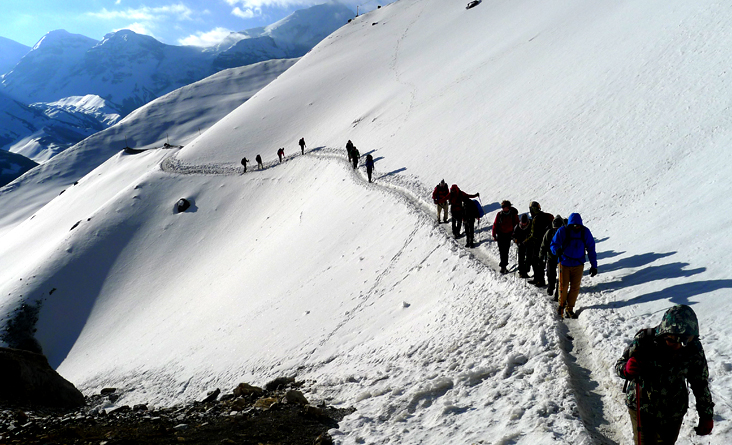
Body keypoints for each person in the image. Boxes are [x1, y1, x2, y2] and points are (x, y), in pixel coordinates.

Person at [615, 305, 714, 444]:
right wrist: (627, 368)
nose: (679, 345)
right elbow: (620, 365)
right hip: (643, 407)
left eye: (685, 340)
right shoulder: (645, 340)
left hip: (673, 412)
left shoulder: (693, 348)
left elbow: (700, 383)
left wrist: (706, 415)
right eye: (673, 339)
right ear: (664, 333)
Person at [549, 212, 597, 319]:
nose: (576, 227)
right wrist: (556, 251)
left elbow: (591, 248)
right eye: (574, 225)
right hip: (564, 263)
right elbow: (553, 244)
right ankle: (561, 306)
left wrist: (594, 265)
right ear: (570, 224)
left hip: (578, 264)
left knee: (575, 288)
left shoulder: (585, 232)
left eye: (578, 225)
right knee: (563, 286)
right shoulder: (563, 230)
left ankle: (569, 308)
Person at [525, 201, 554, 287]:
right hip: (545, 242)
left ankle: (540, 280)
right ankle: (538, 279)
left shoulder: (536, 219)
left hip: (537, 243)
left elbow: (534, 234)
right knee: (538, 261)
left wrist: (525, 241)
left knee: (537, 262)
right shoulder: (544, 215)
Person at [540, 214, 564, 299]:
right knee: (550, 274)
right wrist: (541, 256)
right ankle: (551, 288)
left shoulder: (565, 233)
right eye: (555, 228)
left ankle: (558, 293)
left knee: (560, 277)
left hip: (561, 258)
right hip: (551, 256)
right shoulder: (549, 232)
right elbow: (544, 244)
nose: (556, 230)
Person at [492, 200, 519, 274]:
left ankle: (504, 266)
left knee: (506, 251)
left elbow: (517, 225)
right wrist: (494, 235)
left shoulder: (513, 215)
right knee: (502, 250)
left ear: (508, 207)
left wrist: (516, 235)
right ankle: (503, 266)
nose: (503, 208)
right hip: (500, 235)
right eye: (502, 207)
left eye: (504, 207)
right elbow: (495, 224)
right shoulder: (499, 214)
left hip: (508, 235)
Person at [513, 213, 532, 278]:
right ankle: (521, 272)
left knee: (528, 259)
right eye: (522, 223)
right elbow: (514, 235)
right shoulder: (517, 227)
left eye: (524, 223)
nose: (523, 224)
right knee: (521, 259)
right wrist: (515, 240)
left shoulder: (530, 225)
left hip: (528, 244)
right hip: (520, 244)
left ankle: (526, 271)